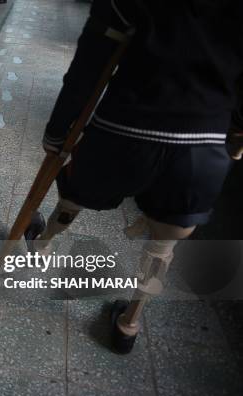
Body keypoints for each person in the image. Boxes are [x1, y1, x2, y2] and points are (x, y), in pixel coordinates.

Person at [27, 0, 243, 352]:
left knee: (74, 195)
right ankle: (128, 325)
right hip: (200, 148)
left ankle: (42, 245)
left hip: (122, 132)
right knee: (163, 245)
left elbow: (89, 67)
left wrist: (57, 132)